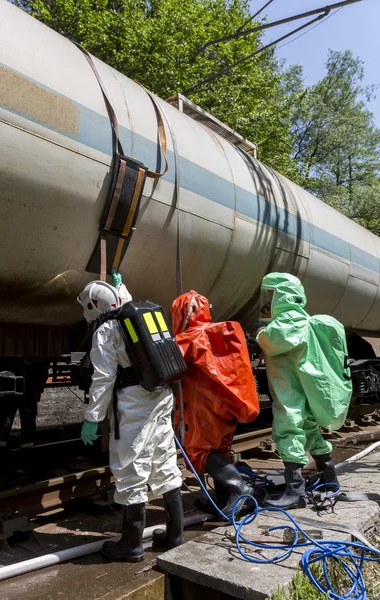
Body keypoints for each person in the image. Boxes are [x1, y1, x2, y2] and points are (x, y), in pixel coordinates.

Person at [78, 271, 184, 562]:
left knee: (130, 467)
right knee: (164, 461)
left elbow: (103, 379)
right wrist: (121, 284)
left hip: (134, 403)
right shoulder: (133, 315)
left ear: (93, 307)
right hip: (162, 395)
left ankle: (131, 544)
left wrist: (93, 417)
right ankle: (175, 534)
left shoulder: (105, 331)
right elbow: (123, 299)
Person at [255, 272, 352, 509]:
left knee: (287, 428)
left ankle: (294, 492)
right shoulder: (303, 319)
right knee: (309, 428)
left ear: (282, 297)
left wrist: (258, 332)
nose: (266, 303)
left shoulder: (287, 322)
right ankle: (329, 478)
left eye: (271, 295)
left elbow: (269, 340)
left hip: (290, 390)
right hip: (302, 386)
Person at [171, 290, 260, 518]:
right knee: (220, 449)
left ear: (182, 313)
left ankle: (240, 490)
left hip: (203, 406)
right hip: (224, 404)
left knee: (199, 450)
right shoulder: (220, 332)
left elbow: (169, 362)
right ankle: (224, 500)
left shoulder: (192, 336)